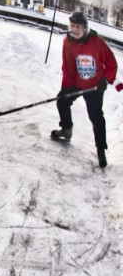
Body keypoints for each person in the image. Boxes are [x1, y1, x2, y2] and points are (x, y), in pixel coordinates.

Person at [51, 11, 119, 168]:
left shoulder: (97, 42)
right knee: (62, 100)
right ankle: (66, 129)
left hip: (95, 86)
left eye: (78, 26)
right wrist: (66, 88)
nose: (75, 30)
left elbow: (111, 64)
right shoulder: (67, 42)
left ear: (85, 27)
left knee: (96, 117)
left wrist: (105, 80)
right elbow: (68, 67)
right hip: (76, 82)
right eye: (72, 26)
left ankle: (101, 148)